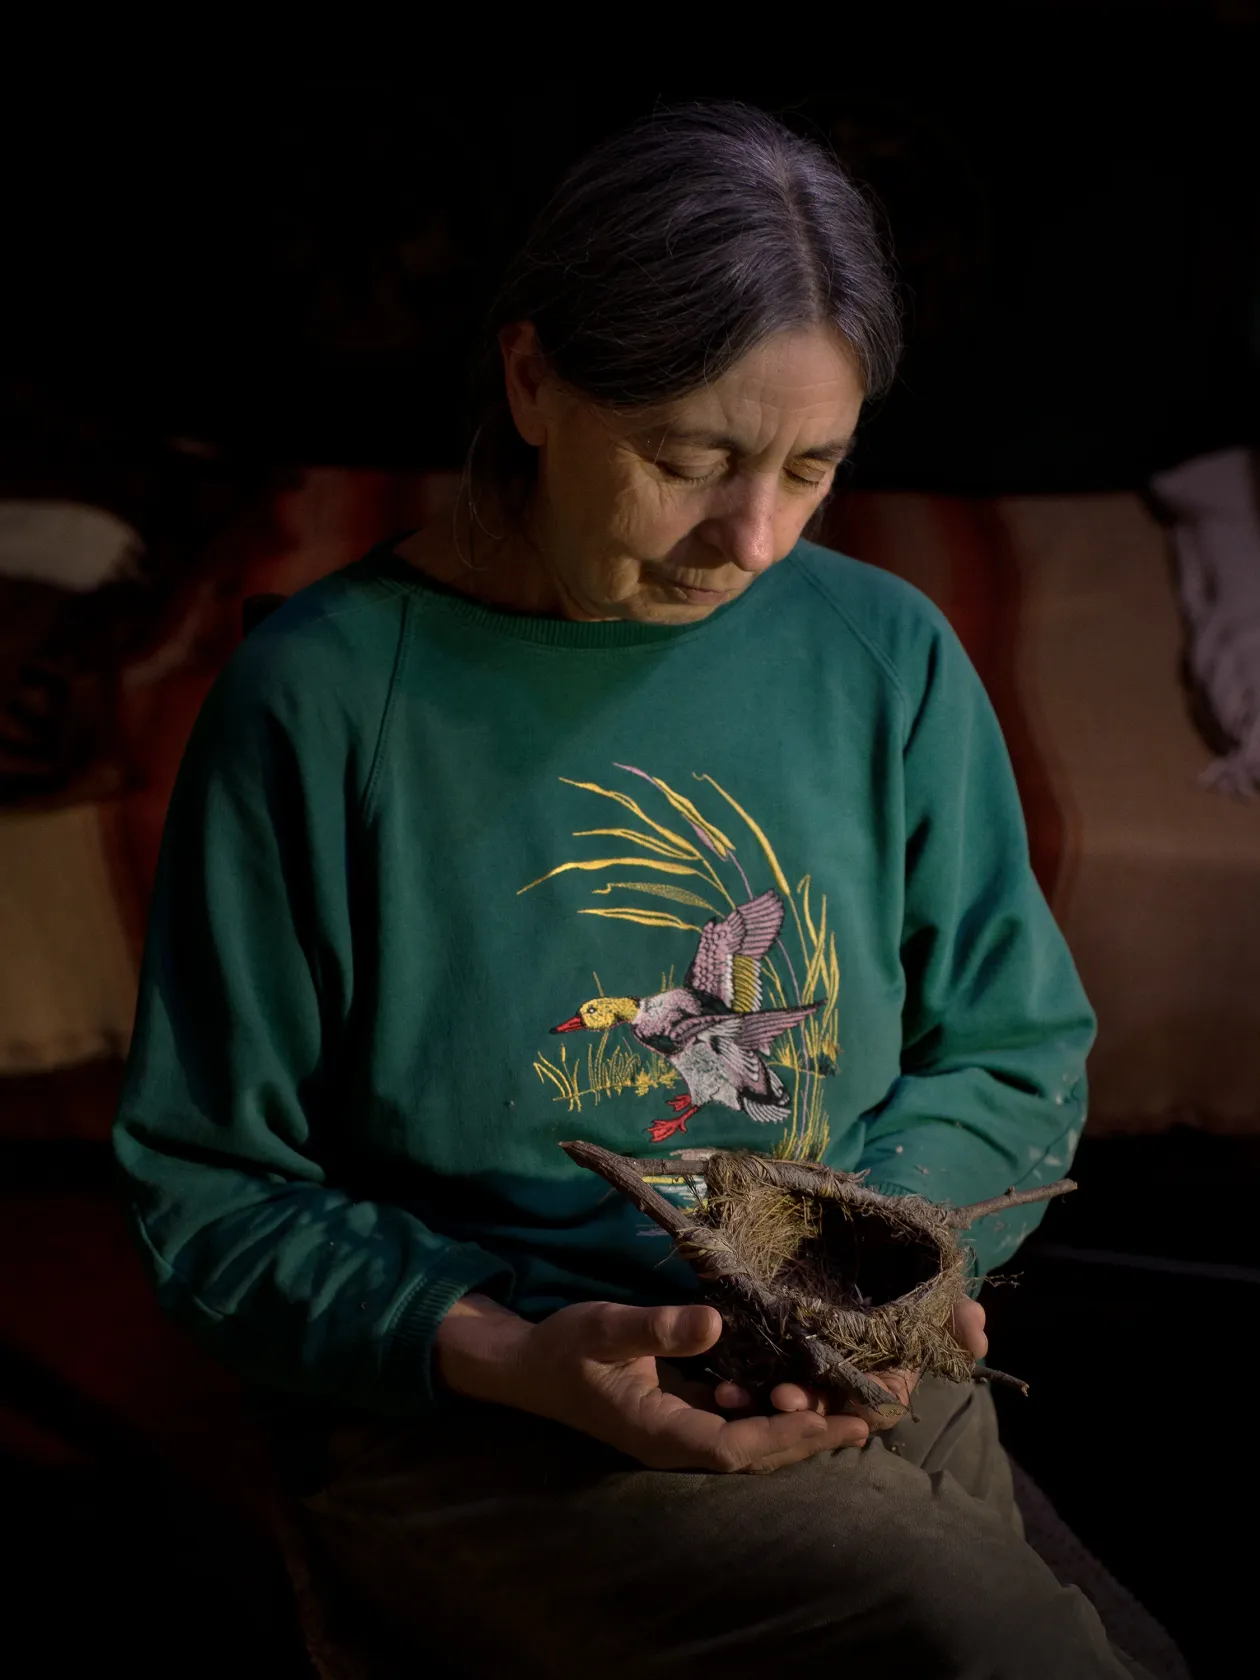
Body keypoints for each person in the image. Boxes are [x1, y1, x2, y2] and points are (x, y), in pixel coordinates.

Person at [113, 101, 1142, 1676]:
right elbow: (211, 1191)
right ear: (531, 381)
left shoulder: (885, 656)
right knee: (975, 1630)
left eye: (813, 469)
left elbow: (1014, 1044)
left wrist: (880, 1259)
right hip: (483, 1406)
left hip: (834, 1340)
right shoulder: (323, 703)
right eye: (689, 459)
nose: (754, 536)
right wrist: (515, 1355)